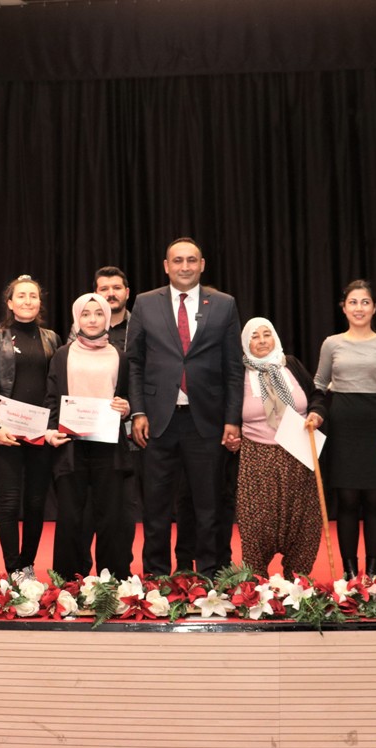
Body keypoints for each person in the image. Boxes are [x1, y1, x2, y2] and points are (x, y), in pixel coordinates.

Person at [126, 237, 243, 578]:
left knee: (208, 505)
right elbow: (134, 362)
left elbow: (233, 368)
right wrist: (138, 411)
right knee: (156, 506)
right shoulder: (145, 303)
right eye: (177, 260)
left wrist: (232, 419)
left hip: (206, 421)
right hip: (157, 421)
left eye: (192, 260)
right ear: (166, 266)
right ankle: (157, 575)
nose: (185, 266)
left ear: (202, 264)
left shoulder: (224, 304)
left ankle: (207, 574)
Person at [311, 280, 376, 580]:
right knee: (348, 501)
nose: (359, 308)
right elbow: (319, 384)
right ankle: (350, 572)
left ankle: (373, 571)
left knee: (375, 501)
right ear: (344, 307)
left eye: (365, 302)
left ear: (374, 308)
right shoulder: (332, 343)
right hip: (343, 427)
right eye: (353, 302)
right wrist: (314, 411)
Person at [44, 293, 133, 578]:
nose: (92, 319)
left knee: (111, 517)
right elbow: (51, 398)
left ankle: (113, 581)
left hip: (109, 445)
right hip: (71, 445)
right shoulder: (62, 354)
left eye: (98, 313)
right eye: (85, 314)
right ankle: (68, 581)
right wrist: (50, 431)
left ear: (107, 317)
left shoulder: (119, 356)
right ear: (76, 318)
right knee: (71, 517)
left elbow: (126, 397)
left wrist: (126, 408)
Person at [0, 275, 61, 583]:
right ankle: (13, 568)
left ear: (40, 302)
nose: (28, 300)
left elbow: (58, 386)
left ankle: (28, 565)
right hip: (7, 434)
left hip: (41, 434)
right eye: (21, 296)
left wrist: (52, 427)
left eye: (33, 296)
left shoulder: (52, 339)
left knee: (37, 504)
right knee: (10, 503)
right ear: (10, 303)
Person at [233, 317, 323, 577]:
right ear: (245, 342)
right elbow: (225, 409)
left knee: (303, 525)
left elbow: (316, 395)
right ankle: (255, 587)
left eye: (267, 334)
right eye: (255, 336)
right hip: (256, 459)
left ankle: (297, 585)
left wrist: (317, 413)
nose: (262, 341)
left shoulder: (290, 364)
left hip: (298, 456)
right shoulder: (238, 372)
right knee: (256, 527)